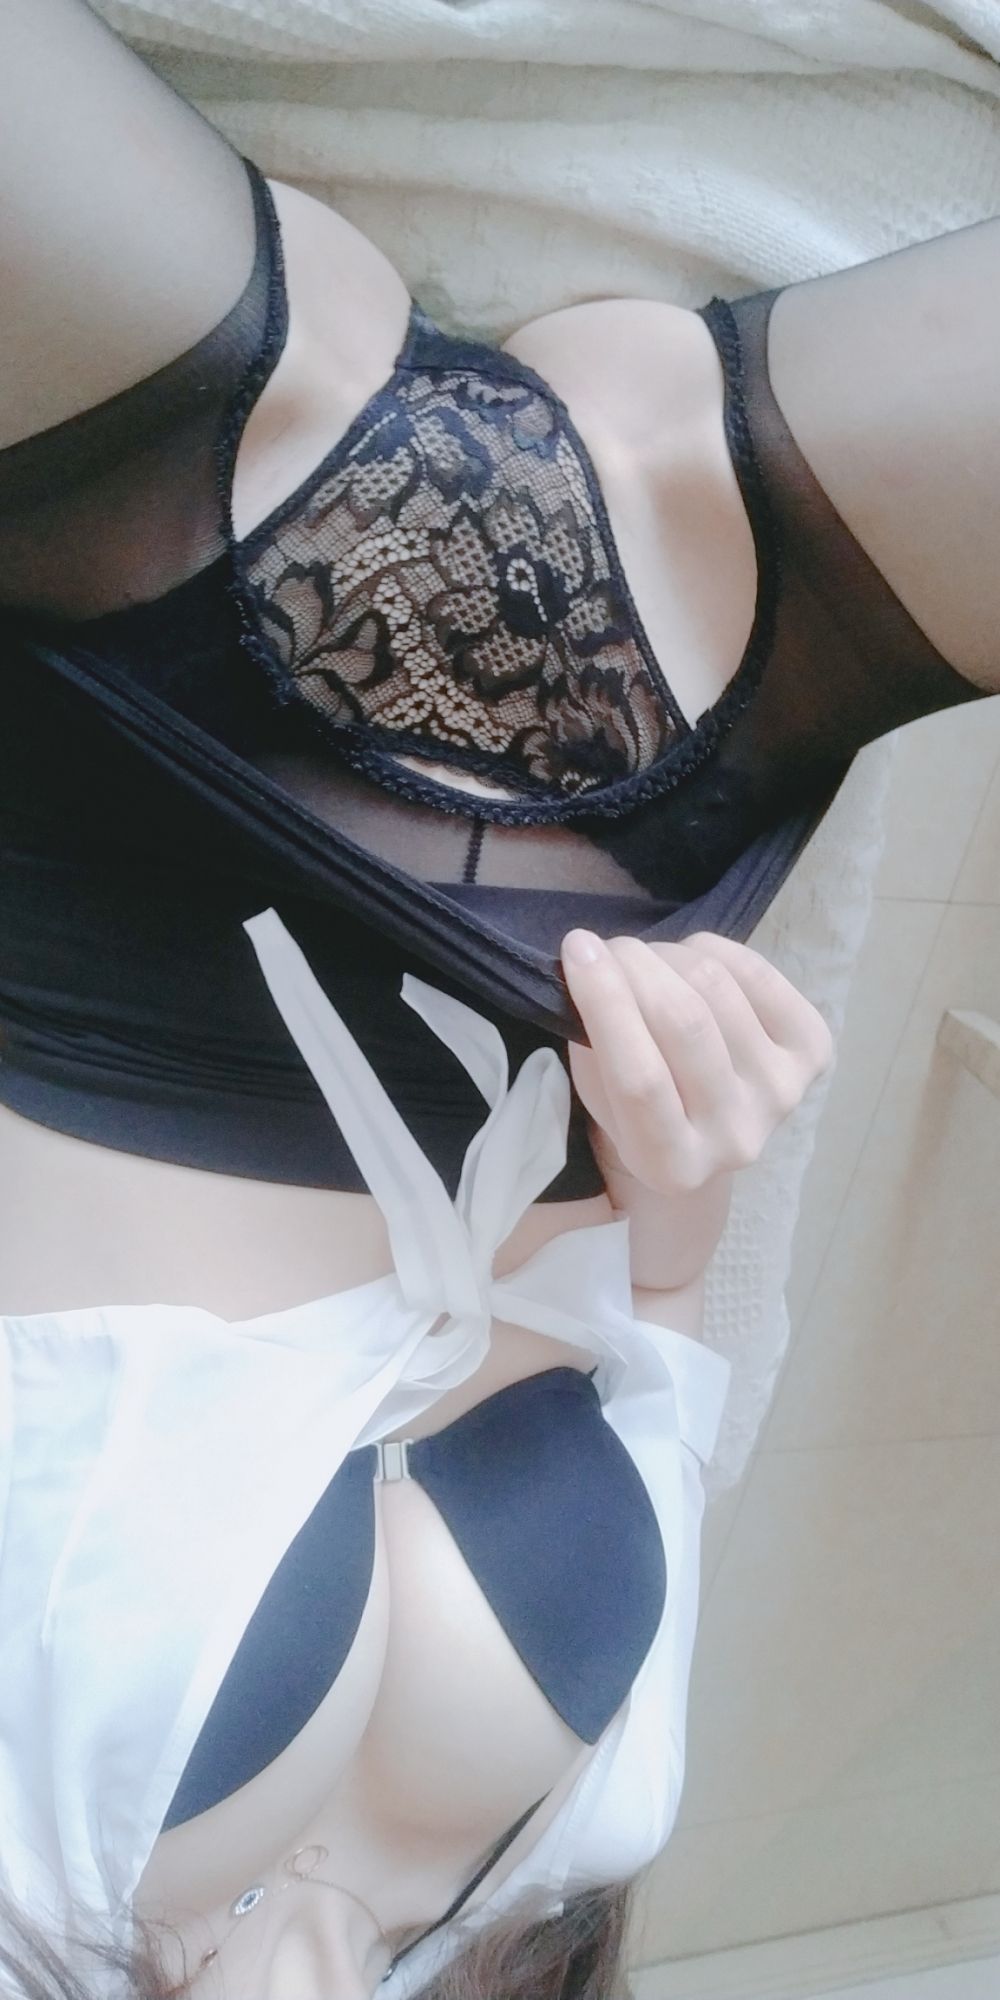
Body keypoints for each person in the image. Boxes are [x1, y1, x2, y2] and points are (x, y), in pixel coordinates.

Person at [0, 3, 995, 1995]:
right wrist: (683, 1176)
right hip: (671, 743)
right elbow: (640, 1353)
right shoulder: (541, 1905)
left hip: (153, 673)